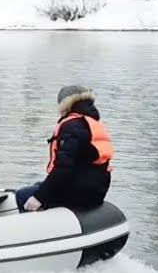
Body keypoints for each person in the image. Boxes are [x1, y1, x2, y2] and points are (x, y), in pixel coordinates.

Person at [16, 84, 113, 213]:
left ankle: (35, 230)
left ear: (65, 104)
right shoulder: (92, 124)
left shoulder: (70, 126)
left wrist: (38, 198)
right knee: (38, 186)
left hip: (78, 194)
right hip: (96, 192)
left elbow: (63, 169)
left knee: (23, 195)